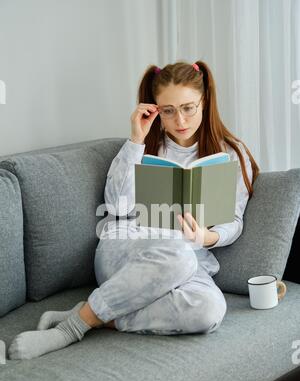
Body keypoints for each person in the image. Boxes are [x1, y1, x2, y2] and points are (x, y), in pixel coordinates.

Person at [8, 60, 260, 360]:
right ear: (156, 109)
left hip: (189, 260)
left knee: (210, 310)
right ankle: (71, 329)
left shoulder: (231, 153)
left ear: (204, 102)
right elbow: (116, 207)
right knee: (177, 251)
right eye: (168, 110)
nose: (180, 119)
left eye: (188, 107)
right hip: (125, 251)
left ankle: (96, 315)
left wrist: (207, 238)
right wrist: (136, 140)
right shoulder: (144, 147)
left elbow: (234, 220)